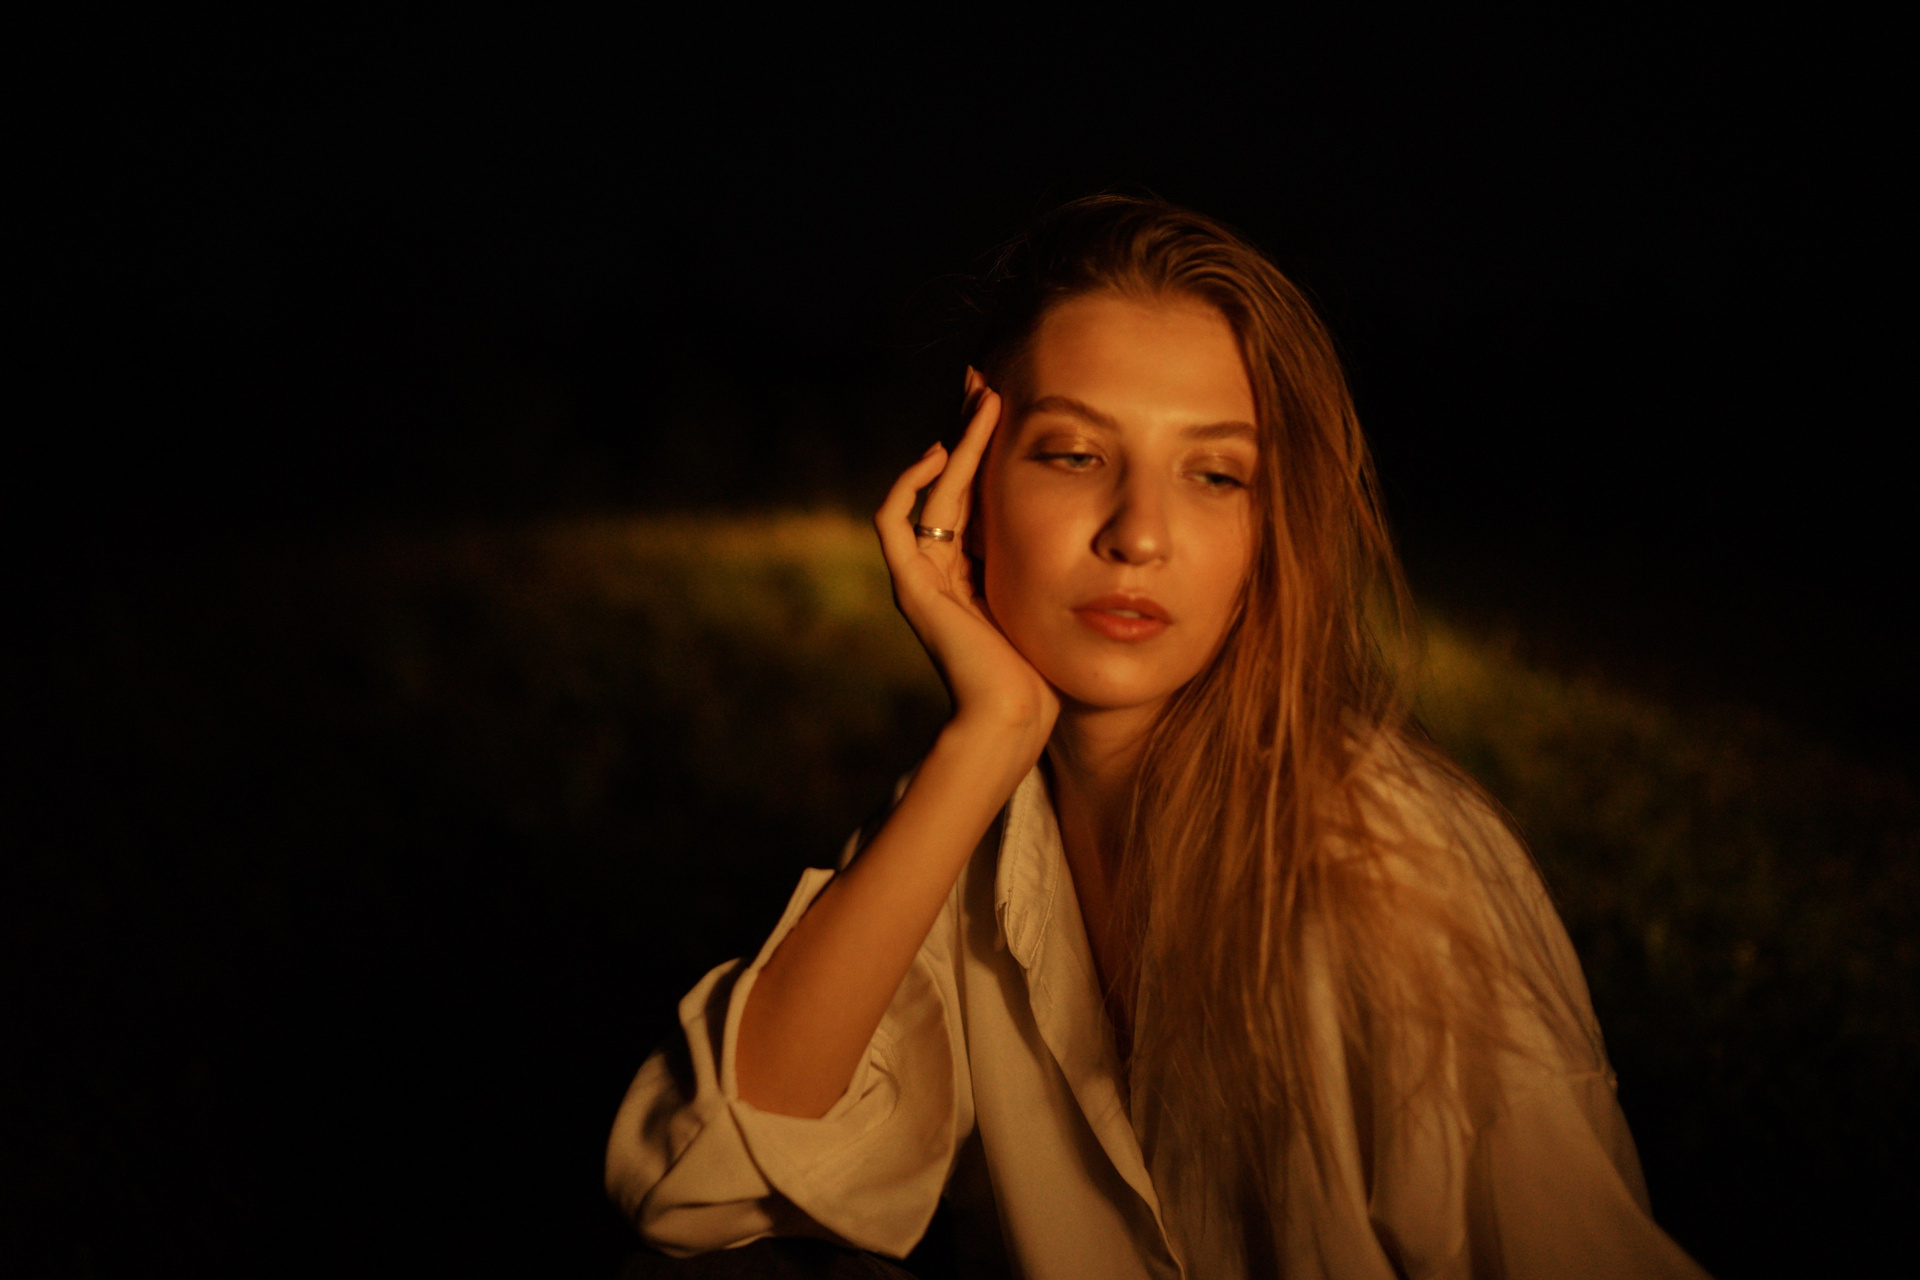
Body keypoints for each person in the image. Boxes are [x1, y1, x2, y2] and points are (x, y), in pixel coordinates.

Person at [605, 196, 1711, 1279]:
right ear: (970, 481)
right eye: (1075, 455)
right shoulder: (975, 818)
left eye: (1215, 474)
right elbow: (699, 1189)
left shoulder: (1381, 854)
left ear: (1270, 531)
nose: (1139, 535)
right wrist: (988, 734)